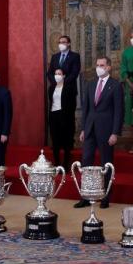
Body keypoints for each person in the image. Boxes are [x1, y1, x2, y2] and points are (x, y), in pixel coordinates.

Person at [75, 56, 124, 209]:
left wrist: (115, 132)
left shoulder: (115, 86)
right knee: (86, 162)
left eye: (102, 65)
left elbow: (119, 111)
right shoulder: (91, 84)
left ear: (109, 67)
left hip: (106, 130)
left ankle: (106, 197)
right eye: (97, 65)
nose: (99, 68)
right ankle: (85, 196)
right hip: (90, 129)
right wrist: (83, 128)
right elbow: (86, 109)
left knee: (106, 163)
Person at [46, 35, 81, 167]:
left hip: (69, 92)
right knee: (55, 130)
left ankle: (67, 155)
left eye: (64, 42)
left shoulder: (74, 56)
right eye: (60, 42)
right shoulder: (55, 57)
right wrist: (55, 81)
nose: (61, 44)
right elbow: (49, 73)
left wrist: (63, 82)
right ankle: (57, 157)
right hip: (56, 91)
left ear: (69, 44)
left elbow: (74, 72)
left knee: (67, 125)